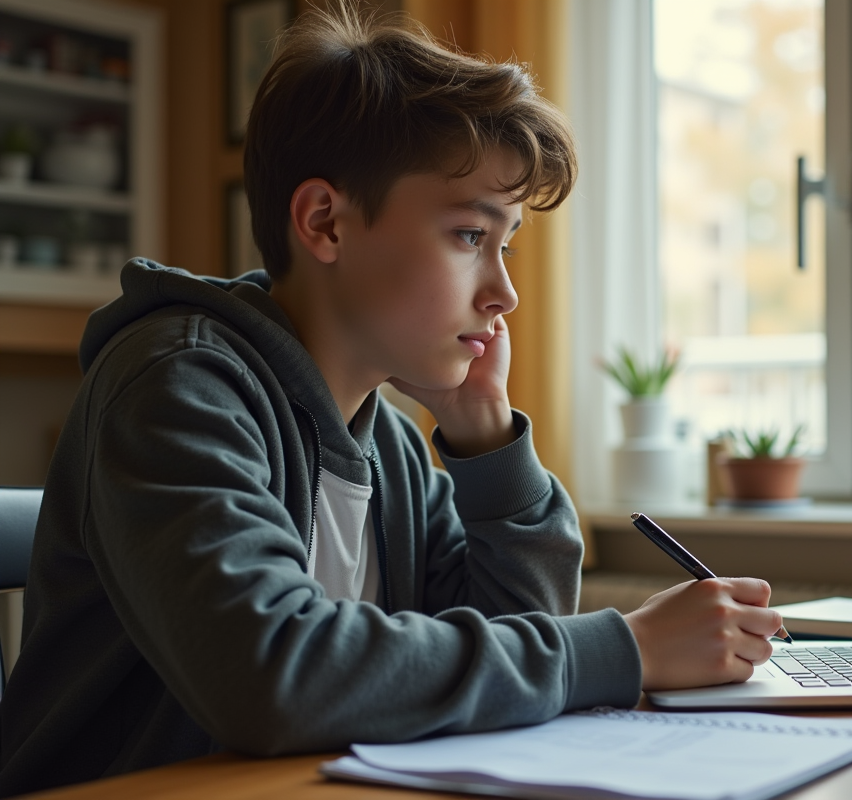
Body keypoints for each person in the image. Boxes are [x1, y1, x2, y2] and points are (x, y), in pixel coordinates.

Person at [0, 3, 782, 795]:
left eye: (506, 244)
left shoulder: (396, 447)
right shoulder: (177, 388)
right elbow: (273, 677)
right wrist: (629, 650)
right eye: (470, 237)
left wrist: (487, 449)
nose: (505, 292)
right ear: (325, 222)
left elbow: (516, 656)